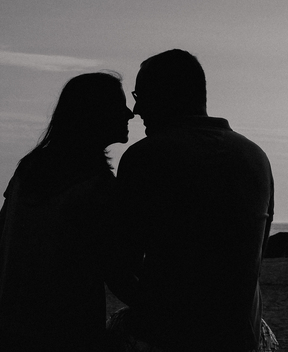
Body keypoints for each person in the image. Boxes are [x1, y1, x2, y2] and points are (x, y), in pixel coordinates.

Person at [110, 50, 276, 352]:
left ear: (168, 94)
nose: (136, 109)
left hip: (171, 336)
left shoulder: (145, 157)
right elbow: (255, 258)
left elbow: (120, 266)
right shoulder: (256, 157)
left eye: (140, 95)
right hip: (242, 336)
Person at [0, 72, 134, 352]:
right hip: (63, 337)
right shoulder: (100, 187)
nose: (130, 113)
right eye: (120, 106)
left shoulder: (28, 169)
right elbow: (116, 272)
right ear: (96, 114)